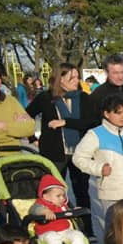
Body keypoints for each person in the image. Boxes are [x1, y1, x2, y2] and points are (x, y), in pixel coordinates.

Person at [25, 63, 98, 234]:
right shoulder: (46, 98)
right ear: (60, 79)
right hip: (55, 152)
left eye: (77, 76)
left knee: (82, 191)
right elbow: (26, 116)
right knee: (53, 191)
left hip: (79, 152)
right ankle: (52, 226)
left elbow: (92, 121)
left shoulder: (84, 97)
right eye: (71, 77)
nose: (76, 80)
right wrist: (32, 138)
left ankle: (86, 229)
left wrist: (66, 122)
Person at [72, 96, 123, 241]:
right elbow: (78, 158)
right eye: (118, 112)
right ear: (106, 114)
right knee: (114, 233)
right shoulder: (95, 134)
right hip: (110, 194)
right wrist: (99, 168)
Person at [29, 174, 90, 244]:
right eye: (58, 196)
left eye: (63, 196)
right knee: (53, 237)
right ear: (45, 196)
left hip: (65, 231)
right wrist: (43, 211)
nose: (62, 198)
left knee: (77, 234)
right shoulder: (41, 204)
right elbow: (33, 210)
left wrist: (74, 211)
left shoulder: (63, 206)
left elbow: (68, 212)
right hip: (46, 232)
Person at [89, 54, 123, 130]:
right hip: (110, 139)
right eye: (115, 73)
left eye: (122, 72)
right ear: (106, 72)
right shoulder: (99, 93)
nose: (120, 77)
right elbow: (94, 120)